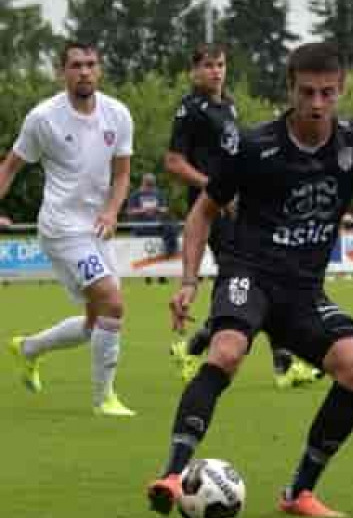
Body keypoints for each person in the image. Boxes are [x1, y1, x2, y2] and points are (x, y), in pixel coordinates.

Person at [146, 42, 353, 518]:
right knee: (227, 351)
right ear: (290, 90)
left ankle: (299, 492)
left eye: (327, 93)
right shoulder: (255, 146)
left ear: (340, 90)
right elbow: (202, 212)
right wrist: (189, 282)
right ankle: (173, 475)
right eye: (306, 92)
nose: (317, 103)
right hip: (249, 272)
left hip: (302, 291)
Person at [164, 43, 317, 389]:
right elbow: (173, 162)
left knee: (253, 284)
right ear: (194, 71)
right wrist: (214, 187)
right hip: (211, 210)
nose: (215, 72)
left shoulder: (228, 106)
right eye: (208, 65)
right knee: (254, 282)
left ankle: (192, 348)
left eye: (220, 65)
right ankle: (284, 365)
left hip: (238, 207)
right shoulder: (191, 110)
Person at [0, 41, 135, 416]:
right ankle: (104, 399)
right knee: (113, 302)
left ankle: (28, 348)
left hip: (98, 228)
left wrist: (112, 211)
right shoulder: (43, 119)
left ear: (99, 69)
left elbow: (122, 175)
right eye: (76, 65)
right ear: (62, 72)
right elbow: (10, 168)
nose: (84, 72)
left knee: (96, 323)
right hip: (62, 228)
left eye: (91, 64)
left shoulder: (118, 114)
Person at [126, 173, 178, 257]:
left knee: (171, 224)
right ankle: (169, 249)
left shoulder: (159, 194)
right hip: (141, 226)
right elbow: (130, 211)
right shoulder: (135, 195)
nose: (150, 189)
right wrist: (143, 210)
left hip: (157, 225)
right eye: (148, 186)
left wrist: (157, 209)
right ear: (143, 183)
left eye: (151, 186)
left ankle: (171, 249)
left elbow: (165, 209)